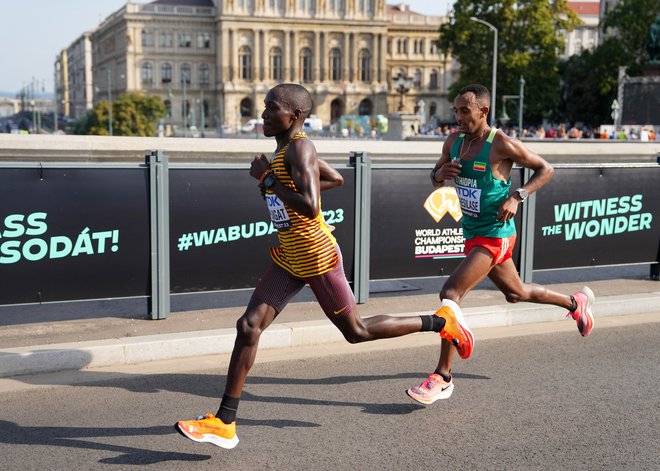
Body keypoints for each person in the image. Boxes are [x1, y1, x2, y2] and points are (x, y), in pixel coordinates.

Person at [175, 83, 474, 449]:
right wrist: (276, 179)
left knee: (357, 332)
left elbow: (311, 206)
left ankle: (442, 322)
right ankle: (225, 422)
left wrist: (267, 179)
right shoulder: (287, 148)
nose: (264, 114)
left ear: (295, 116)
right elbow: (335, 179)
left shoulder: (300, 147)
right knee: (248, 326)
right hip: (289, 256)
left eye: (272, 108)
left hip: (316, 256)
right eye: (266, 108)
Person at [406, 84, 595, 405]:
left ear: (483, 111)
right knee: (515, 292)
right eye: (455, 111)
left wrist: (518, 196)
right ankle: (576, 304)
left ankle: (442, 377)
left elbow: (545, 169)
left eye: (465, 111)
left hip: (496, 233)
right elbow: (434, 176)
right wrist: (439, 174)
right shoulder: (453, 142)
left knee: (451, 295)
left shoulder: (501, 144)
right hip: (473, 231)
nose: (458, 117)